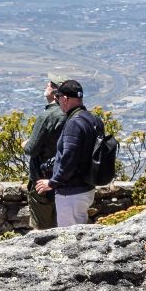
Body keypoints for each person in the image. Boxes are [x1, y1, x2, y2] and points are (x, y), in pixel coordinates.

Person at [35, 79, 100, 226]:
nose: (57, 101)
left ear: (65, 99)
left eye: (58, 98)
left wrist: (53, 182)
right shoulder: (93, 119)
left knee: (69, 240)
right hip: (87, 187)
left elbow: (69, 158)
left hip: (71, 193)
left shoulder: (73, 123)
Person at [23, 75, 66, 230]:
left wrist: (25, 144)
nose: (47, 85)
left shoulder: (47, 116)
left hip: (43, 180)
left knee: (42, 230)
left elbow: (31, 149)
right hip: (65, 179)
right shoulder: (70, 114)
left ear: (56, 93)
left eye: (51, 84)